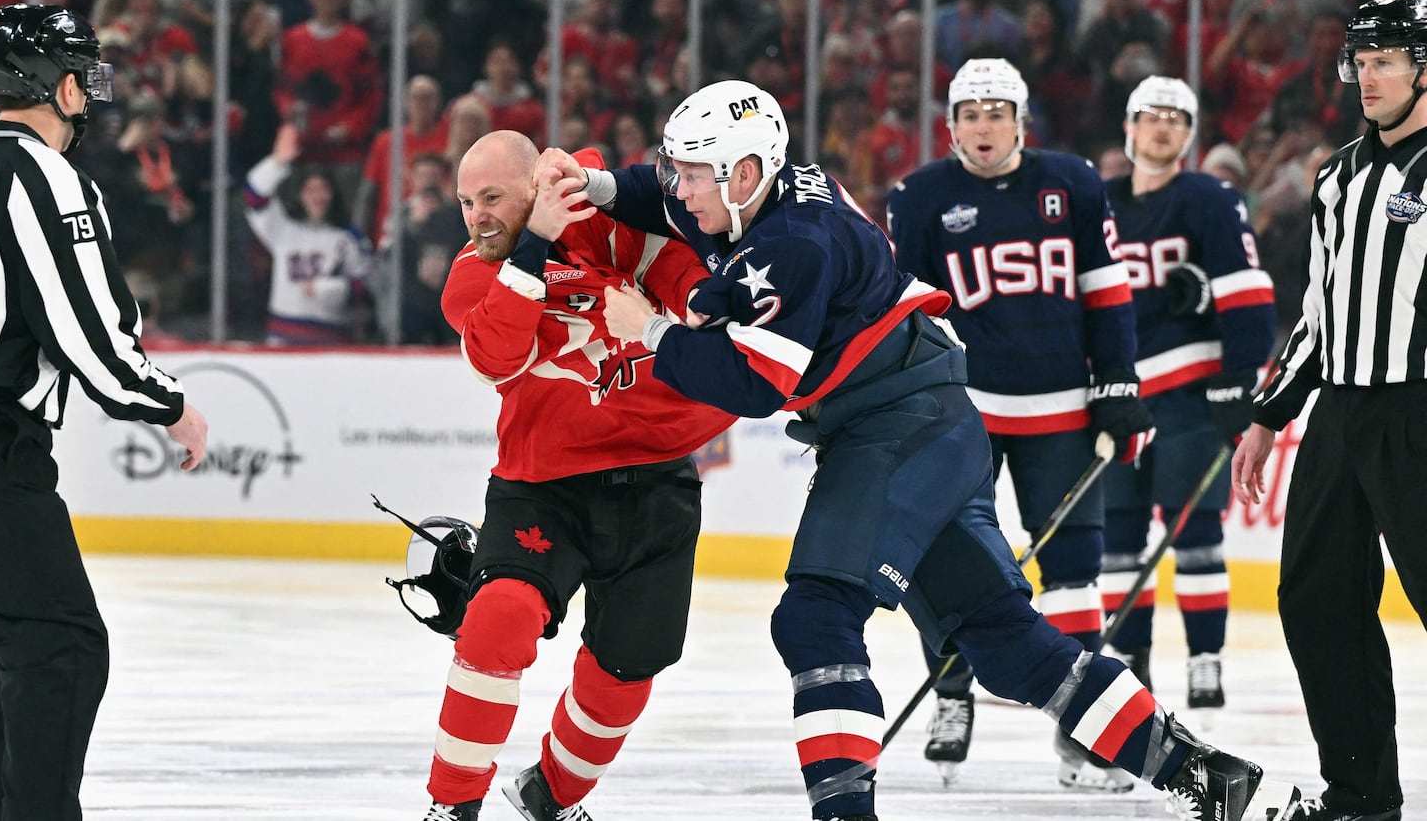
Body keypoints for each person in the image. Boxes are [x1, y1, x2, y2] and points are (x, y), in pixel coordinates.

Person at [543, 78, 1300, 821]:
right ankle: (1205, 775)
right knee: (1007, 646)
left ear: (744, 173)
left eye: (692, 171)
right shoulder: (770, 184)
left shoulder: (792, 244)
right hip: (928, 420)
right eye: (674, 167)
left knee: (814, 618)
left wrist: (653, 331)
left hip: (897, 429)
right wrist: (602, 183)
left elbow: (757, 387)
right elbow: (663, 198)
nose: (678, 187)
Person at [420, 130, 737, 821]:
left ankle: (551, 794)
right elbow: (496, 358)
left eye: (493, 197)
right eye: (466, 202)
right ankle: (453, 806)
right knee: (498, 619)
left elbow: (694, 286)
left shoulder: (616, 218)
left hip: (657, 481)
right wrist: (531, 245)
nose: (476, 216)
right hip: (543, 483)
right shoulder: (476, 273)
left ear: (537, 185)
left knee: (628, 669)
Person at [0, 5, 208, 820]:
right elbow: (86, 332)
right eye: (83, 76)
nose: (91, 94)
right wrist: (168, 407)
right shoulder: (41, 176)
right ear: (56, 84)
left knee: (2, 663)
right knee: (60, 649)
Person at [885, 57, 1153, 792]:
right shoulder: (918, 197)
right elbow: (902, 314)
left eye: (996, 112)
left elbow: (1106, 288)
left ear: (1021, 120)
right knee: (944, 557)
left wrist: (1119, 380)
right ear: (950, 125)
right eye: (970, 114)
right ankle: (950, 692)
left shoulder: (1071, 181)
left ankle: (1084, 732)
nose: (983, 126)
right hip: (961, 408)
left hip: (1062, 406)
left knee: (1074, 574)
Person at [1232, 0, 1427, 820]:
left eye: (1386, 59)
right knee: (1316, 599)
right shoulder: (1338, 176)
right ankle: (1361, 796)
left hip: (1420, 412)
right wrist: (1271, 412)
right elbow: (1322, 307)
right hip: (1341, 416)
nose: (1368, 77)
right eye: (1361, 60)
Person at [1100, 76, 1277, 712]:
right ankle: (1129, 660)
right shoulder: (1099, 202)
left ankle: (1205, 658)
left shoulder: (1208, 197)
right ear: (1130, 127)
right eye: (1151, 116)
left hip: (1187, 395)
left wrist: (1238, 379)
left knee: (1193, 528)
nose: (1163, 127)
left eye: (1177, 118)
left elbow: (1249, 292)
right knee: (1117, 537)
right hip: (1119, 394)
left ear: (1190, 133)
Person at [243, 123, 371, 345]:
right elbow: (254, 197)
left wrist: (331, 290)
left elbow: (367, 284)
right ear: (300, 194)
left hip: (332, 338)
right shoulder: (284, 230)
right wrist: (277, 163)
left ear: (333, 193)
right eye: (311, 190)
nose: (317, 196)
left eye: (323, 189)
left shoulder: (348, 237)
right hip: (283, 336)